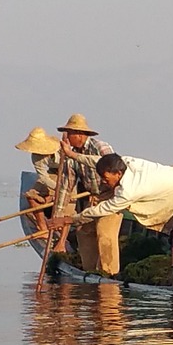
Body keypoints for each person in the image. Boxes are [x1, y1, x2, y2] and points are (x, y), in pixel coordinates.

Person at [52, 152, 173, 285]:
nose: (103, 182)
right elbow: (96, 160)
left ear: (118, 174)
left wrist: (71, 219)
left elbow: (101, 209)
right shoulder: (126, 162)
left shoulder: (128, 191)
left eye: (106, 179)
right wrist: (72, 154)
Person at [53, 113, 122, 276]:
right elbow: (65, 186)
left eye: (69, 134)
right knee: (83, 232)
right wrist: (58, 214)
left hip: (110, 197)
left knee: (105, 234)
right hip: (93, 199)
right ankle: (90, 272)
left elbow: (114, 168)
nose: (68, 138)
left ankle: (109, 274)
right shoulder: (70, 156)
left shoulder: (101, 147)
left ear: (79, 134)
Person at [14, 126, 62, 242]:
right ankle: (43, 229)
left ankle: (49, 202)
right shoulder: (36, 157)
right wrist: (57, 189)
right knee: (31, 196)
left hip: (68, 173)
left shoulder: (60, 148)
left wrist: (63, 190)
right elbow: (43, 177)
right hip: (53, 175)